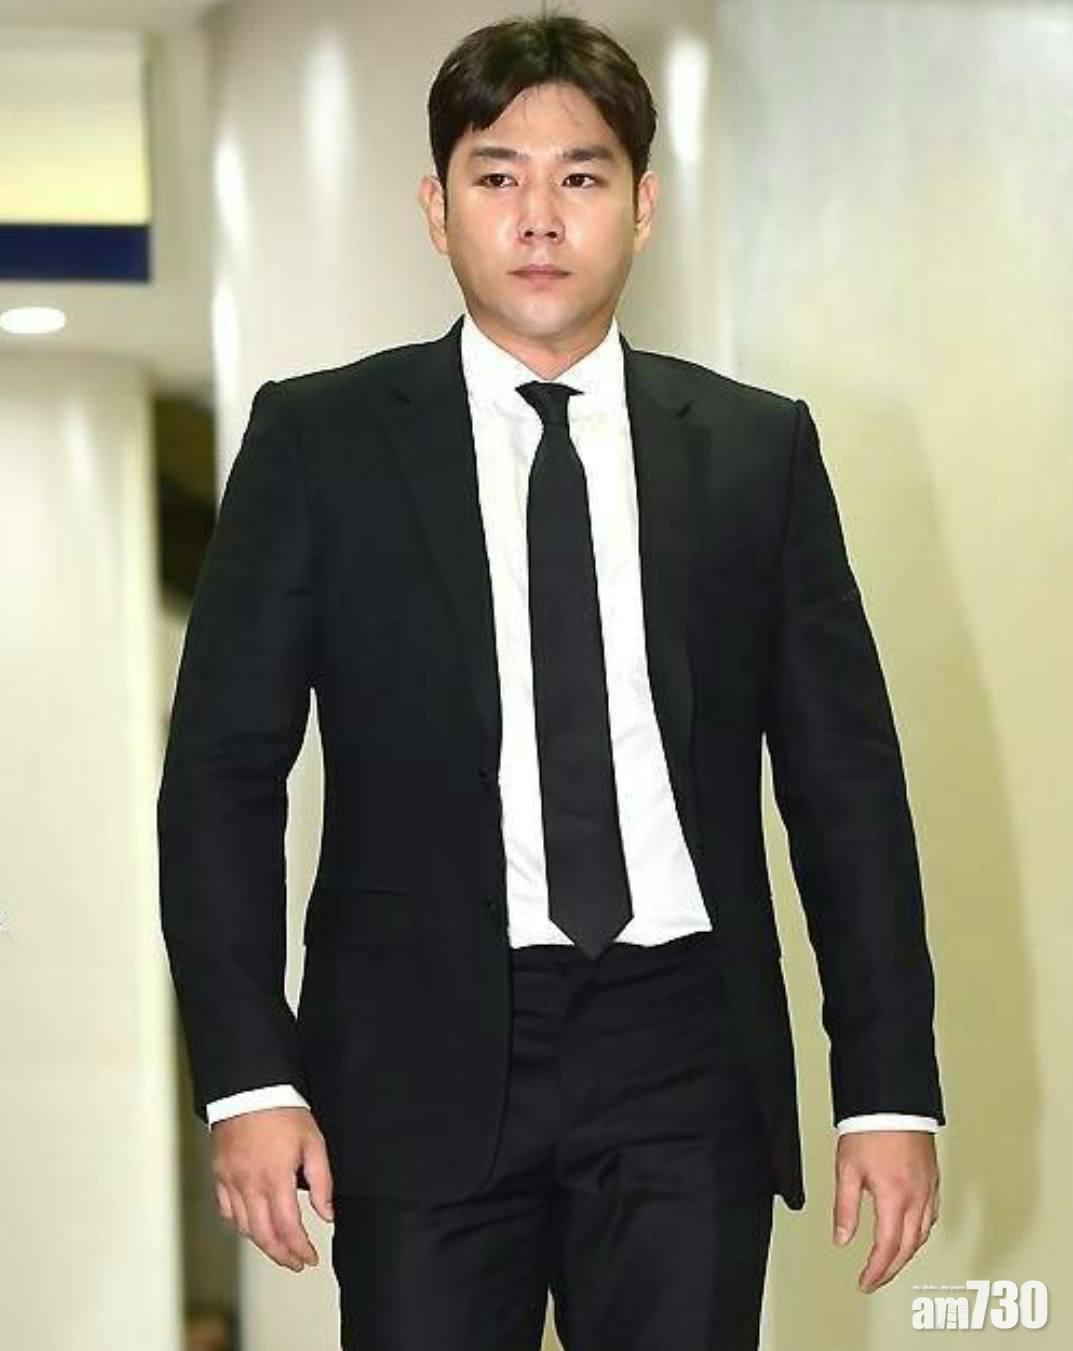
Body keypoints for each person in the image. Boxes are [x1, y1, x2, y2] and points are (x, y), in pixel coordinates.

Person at [157, 13, 944, 1350]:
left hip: (685, 1049)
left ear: (641, 208)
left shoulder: (754, 451)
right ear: (436, 209)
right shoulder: (320, 442)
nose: (537, 216)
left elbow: (844, 787)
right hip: (415, 1055)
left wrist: (887, 1087)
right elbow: (221, 779)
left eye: (580, 176)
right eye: (495, 176)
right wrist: (247, 1077)